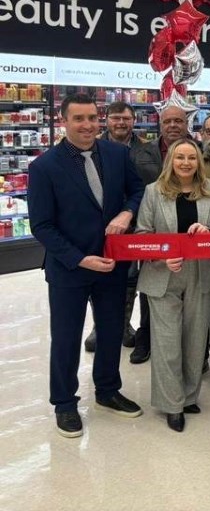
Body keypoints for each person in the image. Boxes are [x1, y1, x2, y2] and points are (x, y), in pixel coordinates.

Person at [28, 93, 145, 438]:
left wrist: (127, 211)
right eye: (79, 119)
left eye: (93, 118)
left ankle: (107, 390)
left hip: (110, 262)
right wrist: (79, 259)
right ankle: (64, 403)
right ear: (63, 121)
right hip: (70, 268)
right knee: (66, 338)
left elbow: (138, 191)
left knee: (111, 330)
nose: (87, 125)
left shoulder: (117, 154)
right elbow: (42, 226)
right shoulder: (44, 167)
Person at [135, 138, 210, 432]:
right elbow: (142, 235)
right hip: (163, 276)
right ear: (170, 162)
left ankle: (188, 396)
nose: (186, 163)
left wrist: (208, 231)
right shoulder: (153, 192)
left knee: (195, 340)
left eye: (191, 158)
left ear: (198, 161)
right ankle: (171, 404)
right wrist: (163, 258)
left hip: (200, 274)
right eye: (179, 158)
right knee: (167, 344)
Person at [128, 104, 191, 365]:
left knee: (188, 292)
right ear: (160, 124)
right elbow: (132, 188)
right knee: (151, 287)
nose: (173, 125)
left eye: (178, 120)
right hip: (153, 227)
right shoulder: (141, 152)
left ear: (186, 124)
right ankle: (146, 337)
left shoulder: (194, 151)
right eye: (168, 121)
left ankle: (190, 346)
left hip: (188, 228)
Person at [85, 100, 144, 354]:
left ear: (134, 121)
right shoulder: (91, 147)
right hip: (99, 227)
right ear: (106, 120)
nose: (121, 122)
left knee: (130, 279)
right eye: (116, 118)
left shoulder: (146, 149)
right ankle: (99, 326)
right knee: (98, 276)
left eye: (126, 118)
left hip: (136, 224)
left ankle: (124, 325)